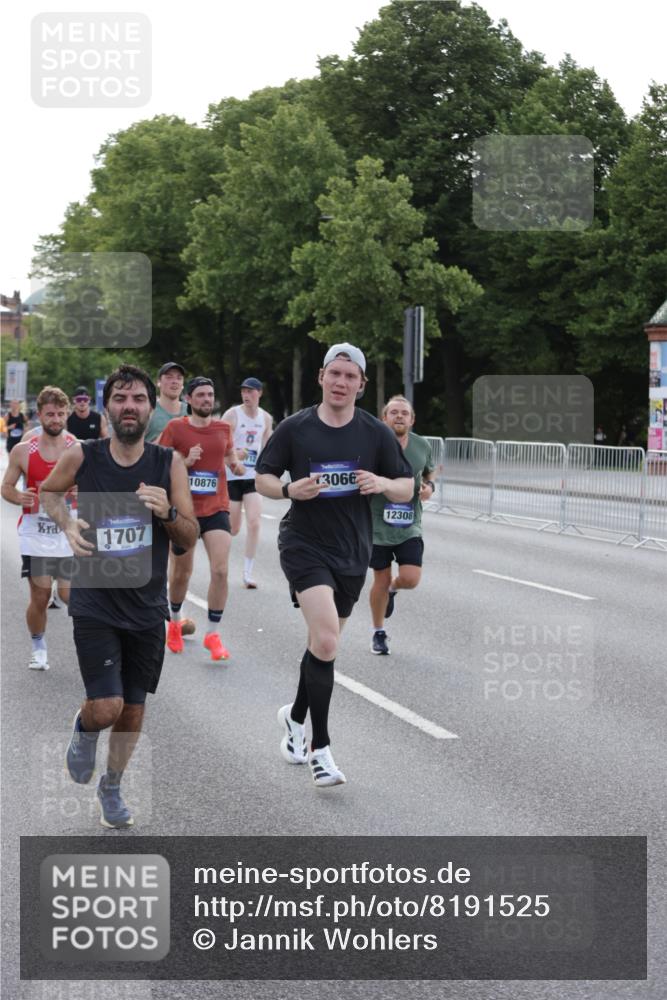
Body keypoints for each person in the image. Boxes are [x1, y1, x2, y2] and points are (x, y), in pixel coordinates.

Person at [40, 364, 198, 828]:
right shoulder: (83, 456)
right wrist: (67, 523)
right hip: (95, 600)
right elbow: (49, 493)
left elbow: (188, 536)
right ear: (107, 407)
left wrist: (167, 512)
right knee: (107, 707)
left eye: (138, 399)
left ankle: (111, 786)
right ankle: (85, 725)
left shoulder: (168, 464)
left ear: (150, 408)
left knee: (132, 709)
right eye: (120, 398)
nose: (130, 406)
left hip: (146, 607)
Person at [255, 344, 413, 788]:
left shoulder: (374, 433)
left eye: (350, 376)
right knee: (326, 640)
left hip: (352, 551)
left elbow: (406, 486)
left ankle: (294, 716)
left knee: (322, 646)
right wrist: (288, 491)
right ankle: (320, 750)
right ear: (321, 377)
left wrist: (382, 482)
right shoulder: (295, 427)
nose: (341, 382)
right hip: (304, 544)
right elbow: (262, 477)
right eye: (335, 373)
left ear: (361, 385)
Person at [159, 376, 246, 659]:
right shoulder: (176, 428)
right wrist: (185, 461)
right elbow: (159, 464)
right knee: (182, 573)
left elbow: (229, 455)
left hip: (216, 507)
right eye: (200, 395)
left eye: (210, 394)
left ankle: (212, 634)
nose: (207, 399)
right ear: (189, 399)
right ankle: (174, 623)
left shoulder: (223, 428)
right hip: (184, 511)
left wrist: (236, 464)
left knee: (221, 570)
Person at [1, 387, 77, 669]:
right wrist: (18, 496)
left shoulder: (78, 449)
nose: (56, 419)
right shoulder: (24, 451)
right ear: (39, 415)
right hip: (36, 533)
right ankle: (38, 646)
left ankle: (92, 644)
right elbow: (6, 487)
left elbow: (96, 484)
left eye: (60, 414)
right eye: (50, 414)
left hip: (67, 531)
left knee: (70, 595)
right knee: (41, 596)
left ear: (66, 415)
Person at [368, 396, 435, 655]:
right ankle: (378, 632)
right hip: (377, 525)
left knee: (410, 578)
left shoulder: (421, 445)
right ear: (384, 417)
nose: (399, 416)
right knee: (380, 579)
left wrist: (429, 487)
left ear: (412, 419)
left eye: (404, 413)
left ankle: (393, 589)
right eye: (393, 412)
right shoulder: (373, 444)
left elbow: (429, 473)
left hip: (409, 524)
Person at [223, 377, 273, 588]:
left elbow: (268, 447)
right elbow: (220, 445)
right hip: (232, 477)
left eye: (251, 391)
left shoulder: (266, 418)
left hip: (252, 477)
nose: (246, 395)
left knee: (254, 522)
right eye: (244, 391)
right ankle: (220, 561)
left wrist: (268, 470)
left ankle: (247, 572)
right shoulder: (232, 415)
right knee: (233, 528)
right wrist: (235, 455)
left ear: (259, 393)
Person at [145, 362, 187, 443]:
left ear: (182, 384)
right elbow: (134, 447)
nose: (175, 381)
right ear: (158, 382)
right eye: (169, 377)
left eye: (179, 378)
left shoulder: (192, 411)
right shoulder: (148, 411)